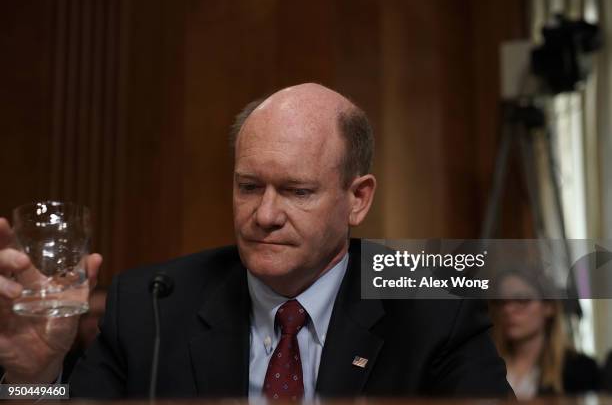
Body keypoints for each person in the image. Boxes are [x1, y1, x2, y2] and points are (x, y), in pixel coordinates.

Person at [0, 83, 512, 399]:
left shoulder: (434, 304)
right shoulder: (151, 305)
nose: (264, 215)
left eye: (297, 191)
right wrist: (36, 373)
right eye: (248, 187)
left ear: (357, 198)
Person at [490, 270, 599, 399]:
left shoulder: (581, 369)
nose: (508, 310)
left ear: (549, 307)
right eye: (501, 302)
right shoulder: (484, 367)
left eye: (521, 300)